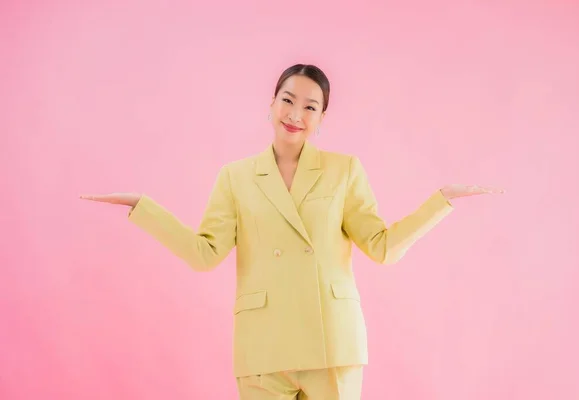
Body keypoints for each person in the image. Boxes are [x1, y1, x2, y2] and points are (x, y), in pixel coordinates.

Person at [80, 63, 504, 400]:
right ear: (271, 104)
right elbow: (203, 253)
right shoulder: (236, 176)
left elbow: (382, 247)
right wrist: (142, 207)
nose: (295, 114)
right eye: (288, 100)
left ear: (321, 117)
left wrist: (441, 201)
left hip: (331, 344)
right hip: (263, 347)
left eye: (310, 106)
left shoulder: (344, 170)